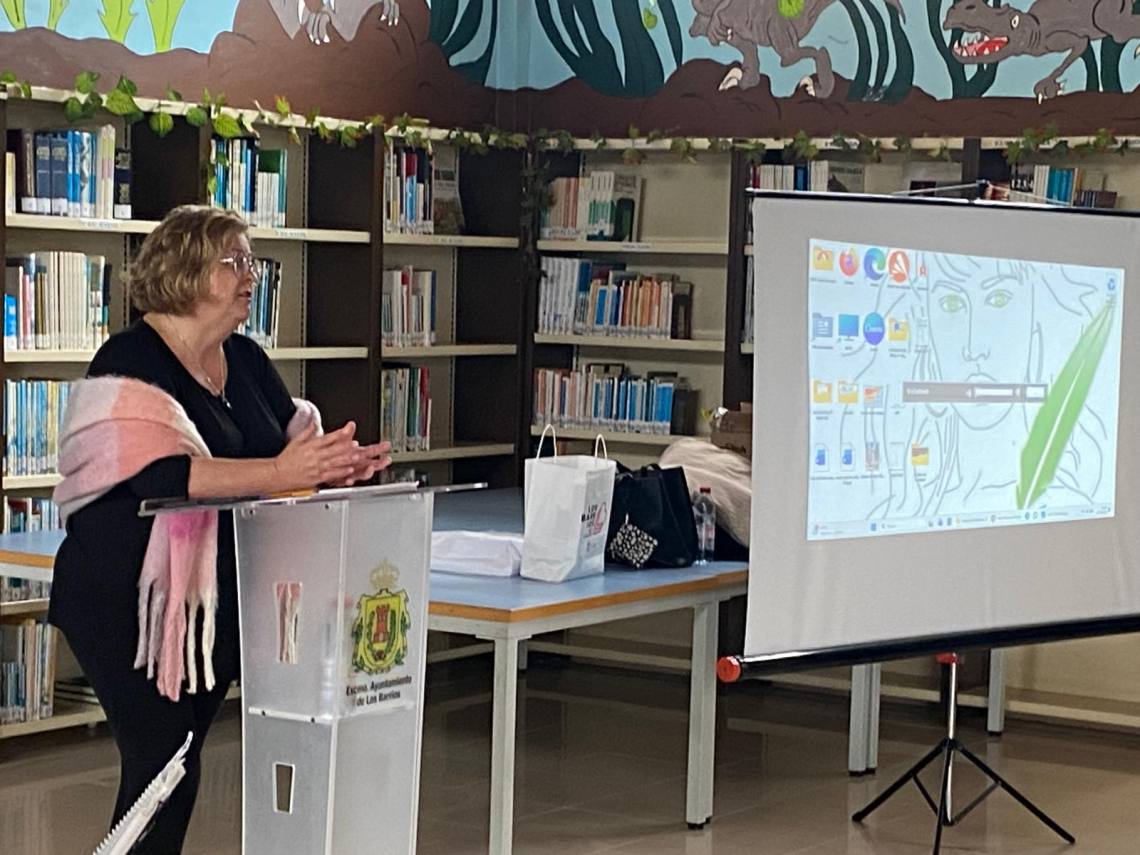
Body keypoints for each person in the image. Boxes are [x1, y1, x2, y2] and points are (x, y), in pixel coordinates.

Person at [48, 205, 390, 853]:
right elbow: (162, 476)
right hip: (123, 599)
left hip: (210, 606)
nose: (250, 276)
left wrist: (334, 466)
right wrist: (282, 470)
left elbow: (286, 449)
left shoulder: (246, 359)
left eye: (251, 262)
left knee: (177, 765)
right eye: (235, 262)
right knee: (162, 759)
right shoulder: (128, 359)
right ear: (186, 271)